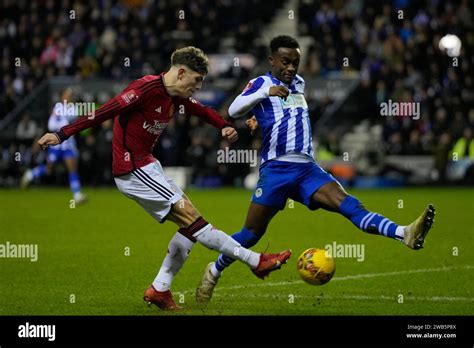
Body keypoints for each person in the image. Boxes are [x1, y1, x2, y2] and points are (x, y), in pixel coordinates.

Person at [37, 46, 291, 311]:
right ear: (181, 73)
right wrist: (61, 134)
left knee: (191, 228)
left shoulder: (176, 95)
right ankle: (255, 261)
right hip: (132, 169)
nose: (198, 86)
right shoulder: (144, 90)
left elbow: (202, 110)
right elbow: (103, 112)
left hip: (148, 166)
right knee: (195, 222)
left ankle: (160, 289)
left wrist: (223, 125)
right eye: (196, 80)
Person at [196, 36, 436, 302]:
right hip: (276, 169)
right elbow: (233, 109)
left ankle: (404, 233)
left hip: (308, 169)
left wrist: (263, 116)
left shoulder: (299, 84)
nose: (290, 68)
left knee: (351, 206)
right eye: (285, 62)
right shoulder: (262, 83)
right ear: (271, 61)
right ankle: (214, 270)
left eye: (295, 63)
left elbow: (285, 115)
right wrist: (265, 94)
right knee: (251, 234)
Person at [21, 88, 87, 204]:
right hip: (56, 145)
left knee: (72, 168)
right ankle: (30, 174)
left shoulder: (74, 109)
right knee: (49, 168)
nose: (69, 97)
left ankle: (77, 195)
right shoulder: (57, 108)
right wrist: (64, 125)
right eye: (67, 95)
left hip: (68, 144)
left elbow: (78, 122)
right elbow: (51, 125)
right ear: (62, 97)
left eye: (70, 95)